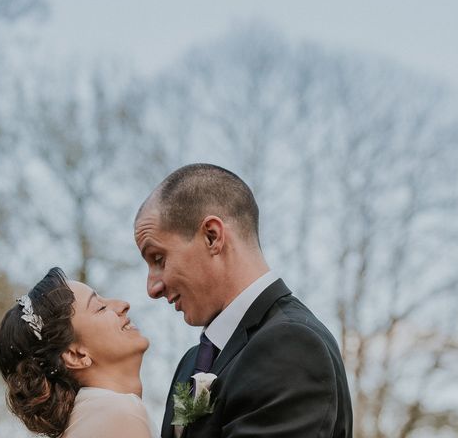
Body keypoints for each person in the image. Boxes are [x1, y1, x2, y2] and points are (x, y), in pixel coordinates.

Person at [135, 163, 353, 438]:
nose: (152, 288)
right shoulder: (191, 362)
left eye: (158, 259)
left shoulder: (290, 345)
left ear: (212, 236)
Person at [0, 267, 158, 438]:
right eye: (100, 307)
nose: (123, 304)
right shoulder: (119, 413)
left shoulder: (87, 421)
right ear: (76, 356)